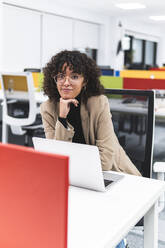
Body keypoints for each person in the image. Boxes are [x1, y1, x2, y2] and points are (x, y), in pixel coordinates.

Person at [41, 50, 141, 176]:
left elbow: (105, 162)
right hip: (76, 176)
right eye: (61, 76)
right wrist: (62, 118)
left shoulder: (99, 103)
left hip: (114, 174)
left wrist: (70, 163)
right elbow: (56, 158)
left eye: (74, 76)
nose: (66, 83)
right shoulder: (48, 108)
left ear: (85, 81)